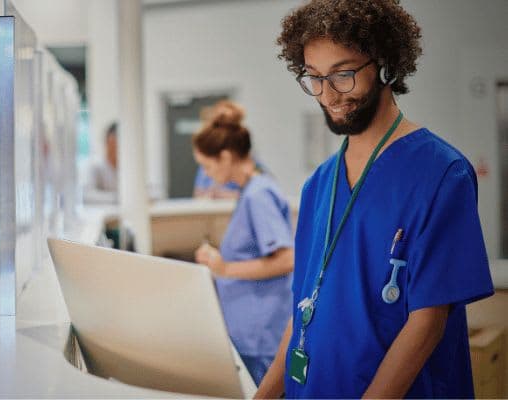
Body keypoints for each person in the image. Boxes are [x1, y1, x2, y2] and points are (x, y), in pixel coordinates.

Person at [256, 1, 494, 398]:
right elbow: (302, 308)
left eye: (343, 74)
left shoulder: (441, 174)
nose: (328, 94)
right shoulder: (318, 185)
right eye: (313, 77)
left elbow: (427, 323)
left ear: (385, 64)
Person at [191, 111, 294, 385]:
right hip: (249, 331)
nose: (206, 175)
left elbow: (286, 260)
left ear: (225, 157)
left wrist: (224, 267)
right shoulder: (248, 192)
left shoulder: (258, 195)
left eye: (208, 166)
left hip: (262, 335)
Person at [82, 122, 118, 204]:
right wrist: (119, 198)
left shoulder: (126, 170)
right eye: (114, 142)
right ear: (108, 141)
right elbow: (87, 196)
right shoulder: (95, 166)